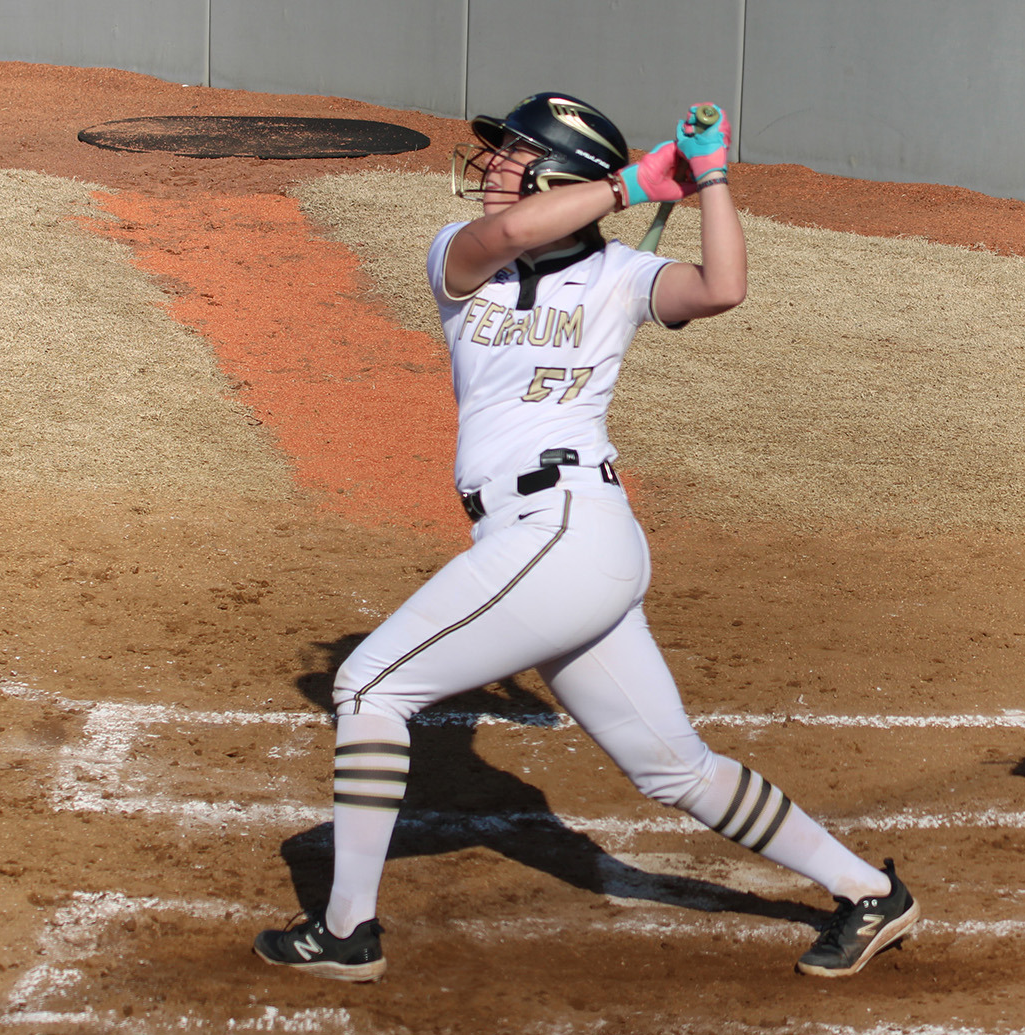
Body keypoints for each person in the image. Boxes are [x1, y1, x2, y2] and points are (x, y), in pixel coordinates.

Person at [252, 92, 918, 981]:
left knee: (369, 687)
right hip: (544, 545)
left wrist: (709, 179)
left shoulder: (621, 280)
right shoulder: (461, 262)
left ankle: (345, 934)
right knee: (671, 768)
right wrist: (635, 182)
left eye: (514, 154)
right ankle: (871, 891)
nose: (490, 165)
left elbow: (723, 287)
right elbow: (498, 239)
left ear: (560, 174)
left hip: (566, 530)